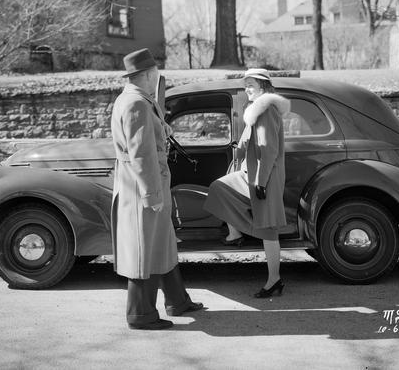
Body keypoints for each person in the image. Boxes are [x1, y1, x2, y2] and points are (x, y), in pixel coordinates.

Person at [110, 48, 203, 330]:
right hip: (143, 187)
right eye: (156, 75)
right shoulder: (136, 104)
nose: (157, 79)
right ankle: (140, 314)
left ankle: (177, 300)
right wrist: (152, 194)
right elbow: (142, 155)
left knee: (161, 243)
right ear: (149, 75)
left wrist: (164, 131)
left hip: (144, 183)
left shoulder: (136, 99)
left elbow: (149, 137)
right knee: (145, 249)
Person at [203, 68, 290, 298]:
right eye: (246, 85)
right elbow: (249, 140)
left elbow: (268, 150)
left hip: (265, 176)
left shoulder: (266, 110)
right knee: (220, 187)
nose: (247, 89)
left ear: (263, 86)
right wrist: (239, 149)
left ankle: (275, 280)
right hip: (248, 173)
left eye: (251, 85)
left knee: (269, 229)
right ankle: (236, 234)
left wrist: (261, 182)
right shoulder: (256, 109)